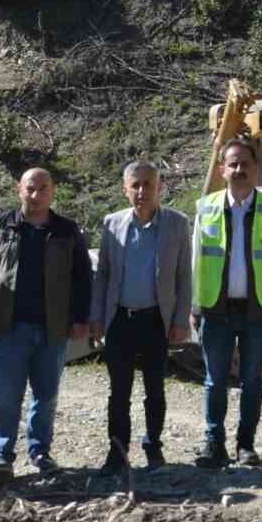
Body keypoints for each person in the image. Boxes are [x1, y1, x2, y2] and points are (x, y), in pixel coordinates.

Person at [0, 167, 92, 488]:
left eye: (43, 188)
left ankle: (40, 452)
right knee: (7, 395)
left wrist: (80, 318)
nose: (36, 194)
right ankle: (1, 455)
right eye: (30, 188)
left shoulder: (66, 230)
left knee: (46, 394)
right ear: (19, 189)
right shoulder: (1, 226)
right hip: (10, 326)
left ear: (52, 192)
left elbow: (83, 277)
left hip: (53, 328)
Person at [191, 139, 262, 469]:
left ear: (255, 168)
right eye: (232, 164)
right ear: (222, 170)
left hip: (255, 310)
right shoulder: (205, 206)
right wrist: (194, 305)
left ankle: (245, 446)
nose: (239, 170)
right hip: (215, 308)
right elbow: (196, 259)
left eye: (245, 163)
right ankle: (213, 444)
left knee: (252, 381)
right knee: (214, 380)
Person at [90, 161, 192, 476]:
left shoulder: (177, 224)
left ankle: (153, 446)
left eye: (148, 184)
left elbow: (183, 277)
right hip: (120, 319)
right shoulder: (112, 223)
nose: (142, 191)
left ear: (160, 187)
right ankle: (117, 452)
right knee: (119, 391)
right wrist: (97, 317)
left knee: (154, 389)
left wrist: (179, 319)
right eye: (135, 185)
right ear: (125, 189)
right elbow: (103, 274)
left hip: (155, 321)